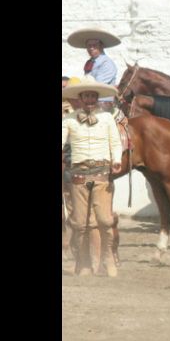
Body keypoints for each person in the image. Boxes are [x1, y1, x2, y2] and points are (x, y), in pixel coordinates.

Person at [61, 77, 123, 277]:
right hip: (78, 175)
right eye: (85, 95)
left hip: (102, 174)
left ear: (97, 98)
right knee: (79, 223)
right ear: (80, 98)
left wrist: (117, 159)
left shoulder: (107, 118)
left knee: (105, 220)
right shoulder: (68, 120)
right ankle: (83, 263)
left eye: (92, 96)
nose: (89, 99)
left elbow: (115, 142)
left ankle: (107, 260)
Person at [67, 28, 120, 110]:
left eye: (94, 45)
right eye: (88, 46)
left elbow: (96, 85)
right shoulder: (90, 62)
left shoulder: (107, 63)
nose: (91, 48)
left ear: (101, 46)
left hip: (103, 103)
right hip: (89, 101)